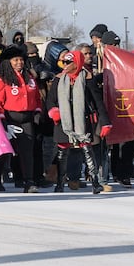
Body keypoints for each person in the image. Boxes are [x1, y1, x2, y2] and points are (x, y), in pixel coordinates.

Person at [47, 46, 112, 194]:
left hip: (82, 121)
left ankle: (95, 182)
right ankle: (60, 182)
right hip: (63, 121)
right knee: (62, 153)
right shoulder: (58, 79)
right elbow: (50, 100)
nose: (65, 65)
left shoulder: (87, 79)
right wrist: (54, 111)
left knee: (88, 150)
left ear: (77, 63)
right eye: (64, 62)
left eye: (69, 63)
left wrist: (105, 122)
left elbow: (98, 102)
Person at [0, 44, 44, 192]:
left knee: (27, 151)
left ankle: (29, 182)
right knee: (5, 151)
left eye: (21, 59)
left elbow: (37, 97)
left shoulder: (29, 77)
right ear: (8, 62)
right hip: (9, 118)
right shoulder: (0, 78)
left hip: (26, 118)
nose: (19, 63)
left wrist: (38, 111)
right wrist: (2, 120)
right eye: (15, 60)